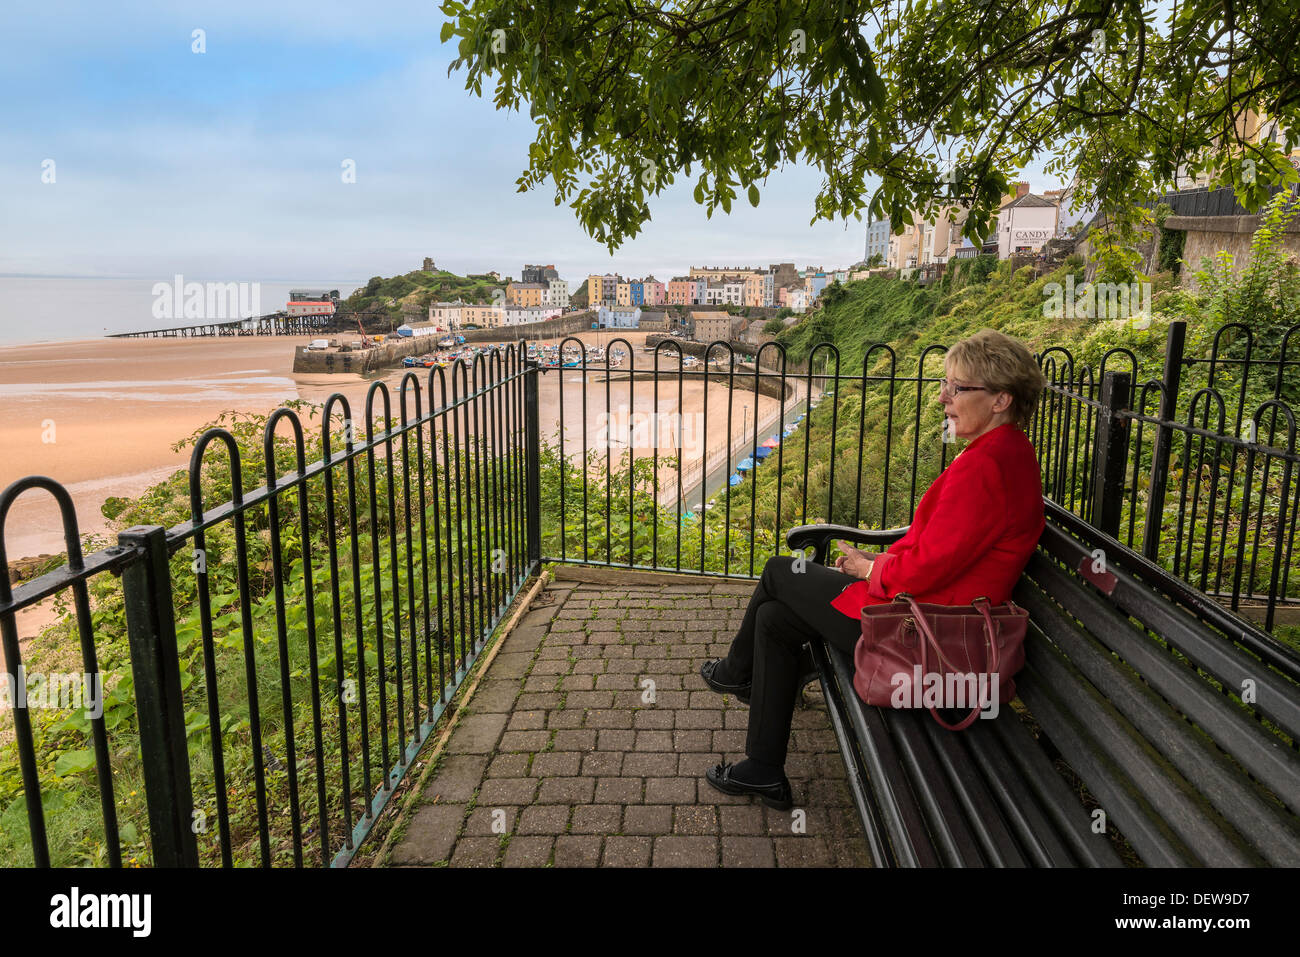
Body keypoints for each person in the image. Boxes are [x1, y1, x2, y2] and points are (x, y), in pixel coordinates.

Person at [699, 328, 1048, 809]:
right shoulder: (1002, 453)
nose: (944, 398)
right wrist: (879, 562)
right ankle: (762, 769)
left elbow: (928, 568)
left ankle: (736, 675)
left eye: (958, 388)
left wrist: (868, 570)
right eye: (945, 385)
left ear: (1000, 399)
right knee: (774, 619)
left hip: (925, 636)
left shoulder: (987, 467)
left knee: (783, 572)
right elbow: (944, 552)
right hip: (931, 617)